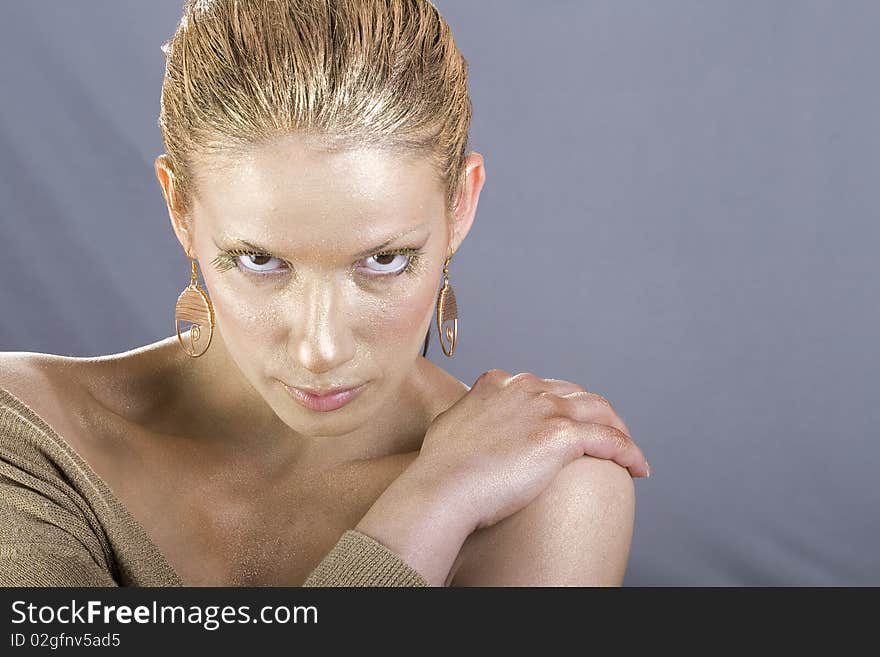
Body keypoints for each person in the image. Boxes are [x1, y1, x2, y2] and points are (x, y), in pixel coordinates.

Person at [0, 0, 650, 587]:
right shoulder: (26, 433)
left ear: (460, 206)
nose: (320, 347)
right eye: (259, 260)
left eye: (384, 259)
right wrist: (428, 504)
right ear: (180, 207)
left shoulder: (547, 488)